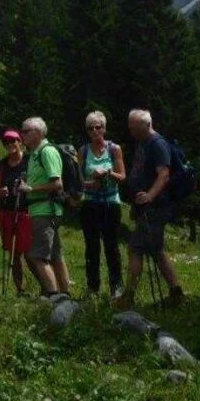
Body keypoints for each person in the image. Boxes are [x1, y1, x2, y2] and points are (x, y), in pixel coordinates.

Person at [113, 110, 185, 309]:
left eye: (135, 127)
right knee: (157, 250)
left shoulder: (158, 144)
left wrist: (150, 196)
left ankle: (128, 296)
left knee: (135, 248)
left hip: (155, 206)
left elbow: (164, 175)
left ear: (147, 125)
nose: (131, 131)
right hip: (145, 206)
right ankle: (176, 292)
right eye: (130, 127)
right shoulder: (143, 143)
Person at [18, 117, 71, 302]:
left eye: (26, 131)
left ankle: (53, 296)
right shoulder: (35, 153)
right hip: (43, 210)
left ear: (38, 133)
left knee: (37, 256)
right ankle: (65, 295)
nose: (21, 134)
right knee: (56, 254)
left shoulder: (46, 152)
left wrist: (31, 189)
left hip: (45, 210)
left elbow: (57, 183)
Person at [78, 111, 126, 299]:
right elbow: (79, 181)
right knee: (91, 247)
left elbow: (122, 176)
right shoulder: (83, 151)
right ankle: (93, 287)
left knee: (111, 246)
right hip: (90, 203)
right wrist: (92, 181)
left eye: (98, 127)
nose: (94, 131)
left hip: (110, 203)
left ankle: (116, 286)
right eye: (90, 128)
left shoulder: (114, 149)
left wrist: (108, 172)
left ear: (104, 128)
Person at [0, 129, 33, 296]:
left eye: (13, 141)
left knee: (30, 252)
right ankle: (21, 288)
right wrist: (0, 192)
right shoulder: (1, 165)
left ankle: (45, 285)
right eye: (6, 142)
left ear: (20, 142)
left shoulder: (29, 161)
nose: (10, 145)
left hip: (26, 211)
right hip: (7, 211)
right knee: (14, 253)